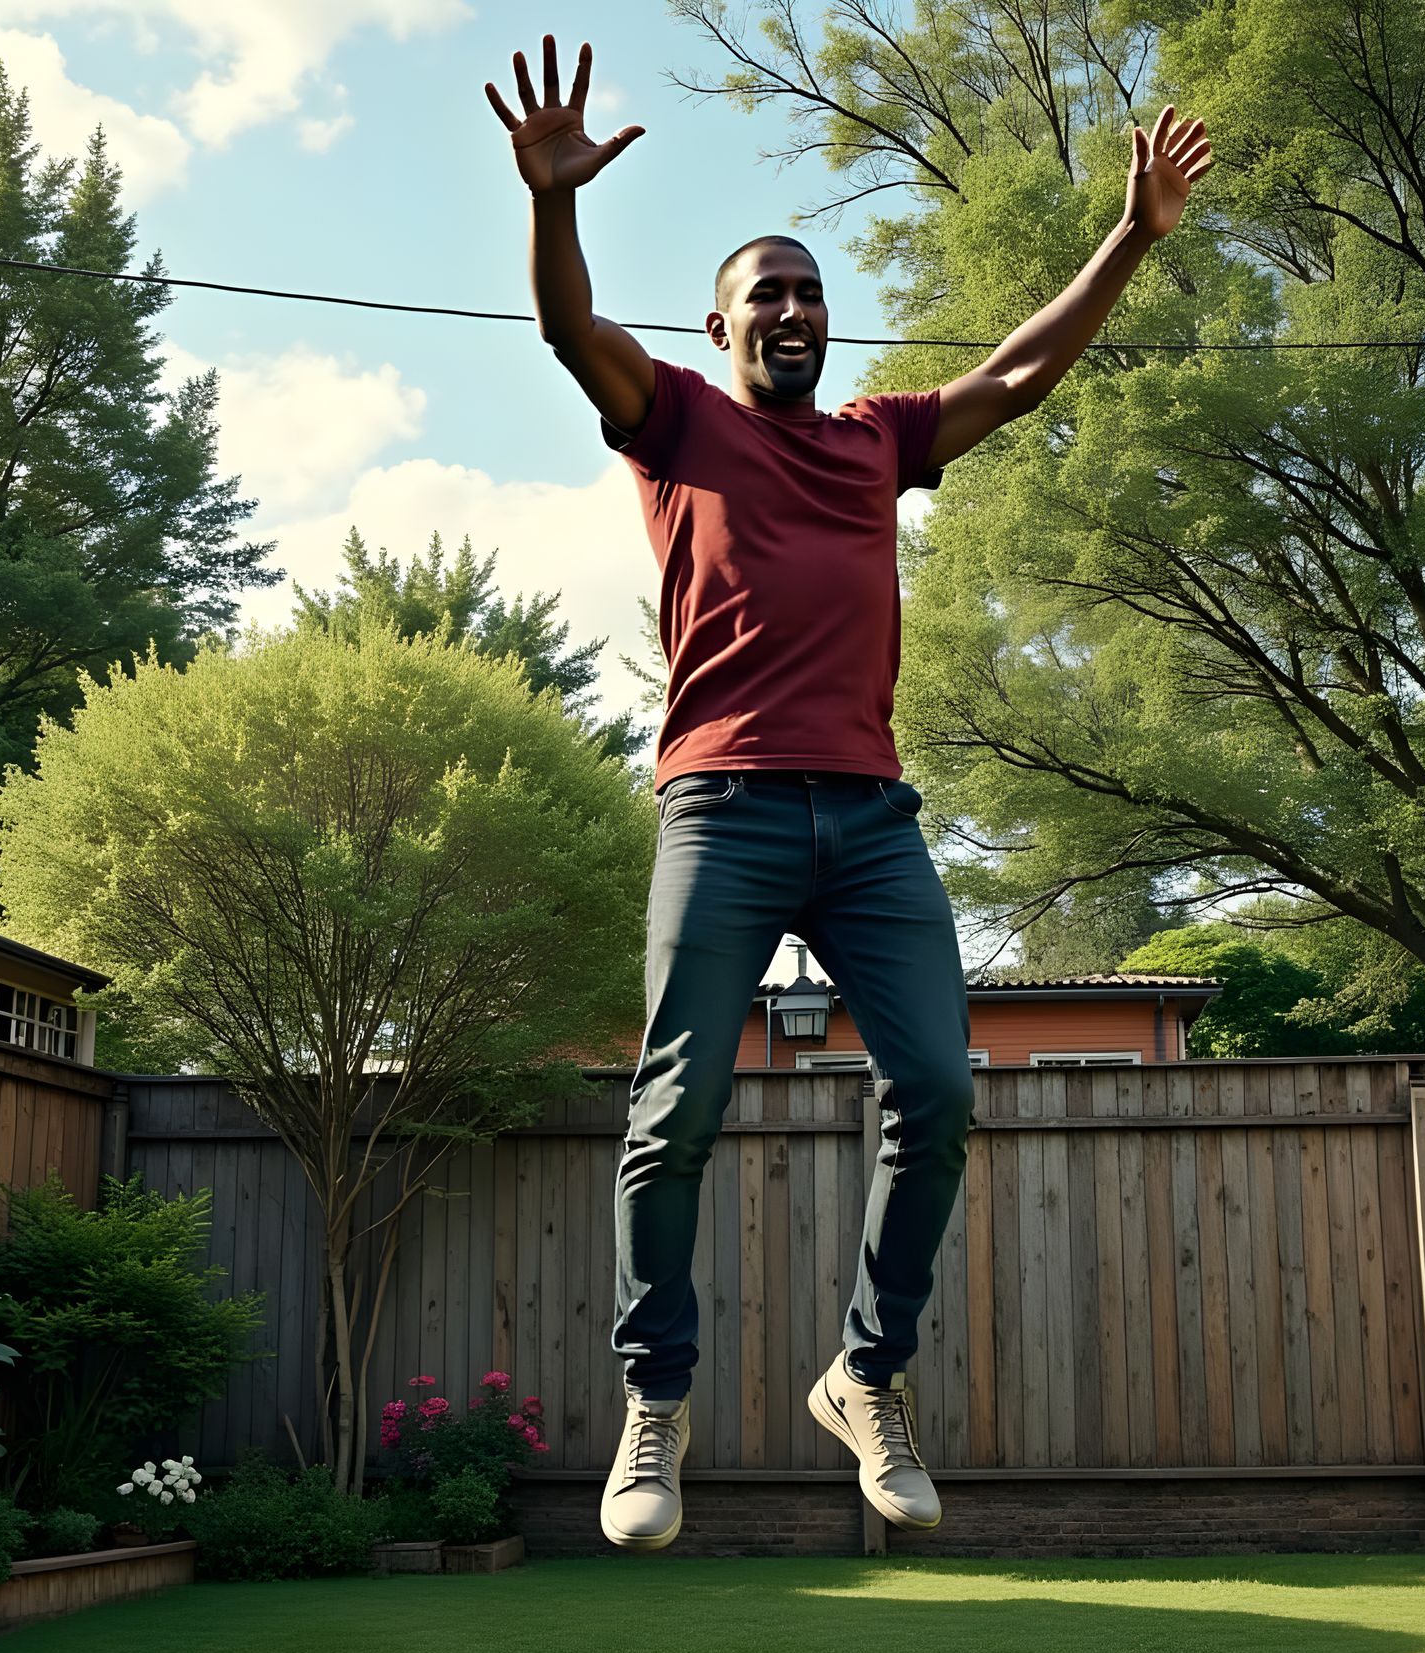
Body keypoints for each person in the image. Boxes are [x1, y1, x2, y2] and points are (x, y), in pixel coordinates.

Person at [486, 37, 1211, 1552]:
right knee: (673, 1106)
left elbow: (1016, 369)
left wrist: (1129, 238)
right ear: (723, 323)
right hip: (723, 809)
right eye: (770, 293)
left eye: (811, 293)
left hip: (873, 818)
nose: (796, 311)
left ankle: (865, 1373)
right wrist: (555, 210)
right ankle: (655, 1403)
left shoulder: (878, 442)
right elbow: (571, 334)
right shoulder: (677, 420)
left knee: (943, 1092)